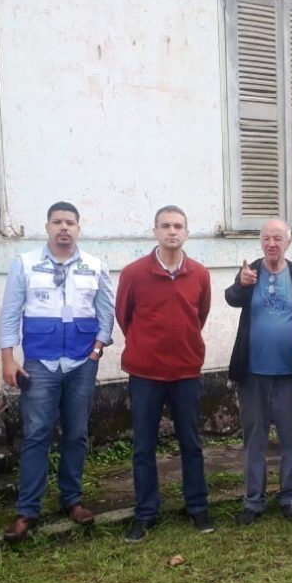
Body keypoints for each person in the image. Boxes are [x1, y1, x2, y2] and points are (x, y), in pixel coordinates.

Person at [0, 201, 115, 543]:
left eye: (70, 222)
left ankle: (72, 500)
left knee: (76, 434)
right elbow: (9, 314)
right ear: (47, 227)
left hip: (81, 363)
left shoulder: (95, 266)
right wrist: (8, 358)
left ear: (79, 228)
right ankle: (27, 510)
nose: (64, 227)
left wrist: (97, 349)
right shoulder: (25, 264)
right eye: (57, 222)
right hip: (40, 363)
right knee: (36, 434)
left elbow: (106, 312)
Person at [116, 205, 213, 542]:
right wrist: (147, 346)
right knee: (143, 446)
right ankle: (145, 512)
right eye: (165, 226)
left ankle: (197, 506)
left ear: (187, 232)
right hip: (145, 374)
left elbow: (199, 316)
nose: (172, 231)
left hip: (186, 371)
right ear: (155, 231)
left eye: (178, 226)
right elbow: (124, 317)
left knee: (191, 443)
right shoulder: (133, 273)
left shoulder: (200, 273)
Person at [225, 220, 292, 524]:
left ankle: (290, 498)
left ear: (288, 243)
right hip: (253, 374)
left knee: (290, 439)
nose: (271, 243)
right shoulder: (250, 272)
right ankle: (253, 501)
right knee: (254, 440)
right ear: (260, 242)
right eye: (266, 238)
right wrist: (242, 285)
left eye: (278, 238)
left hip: (290, 375)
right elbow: (232, 299)